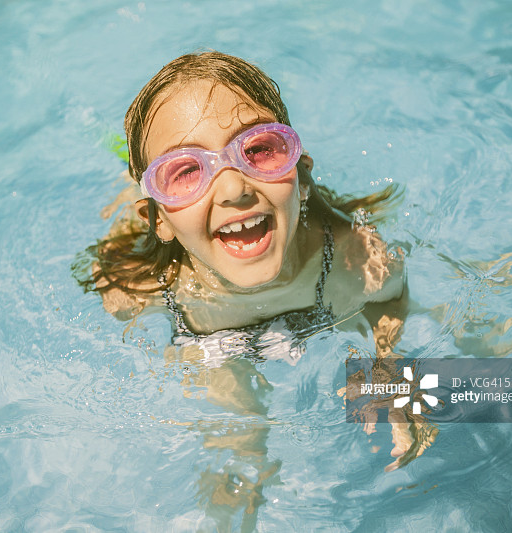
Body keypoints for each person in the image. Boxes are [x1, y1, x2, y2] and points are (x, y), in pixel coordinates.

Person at [75, 51, 405, 362]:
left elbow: (390, 303)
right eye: (186, 170)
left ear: (302, 179)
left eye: (258, 149)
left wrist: (387, 372)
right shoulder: (136, 290)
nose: (234, 188)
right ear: (158, 220)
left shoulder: (361, 263)